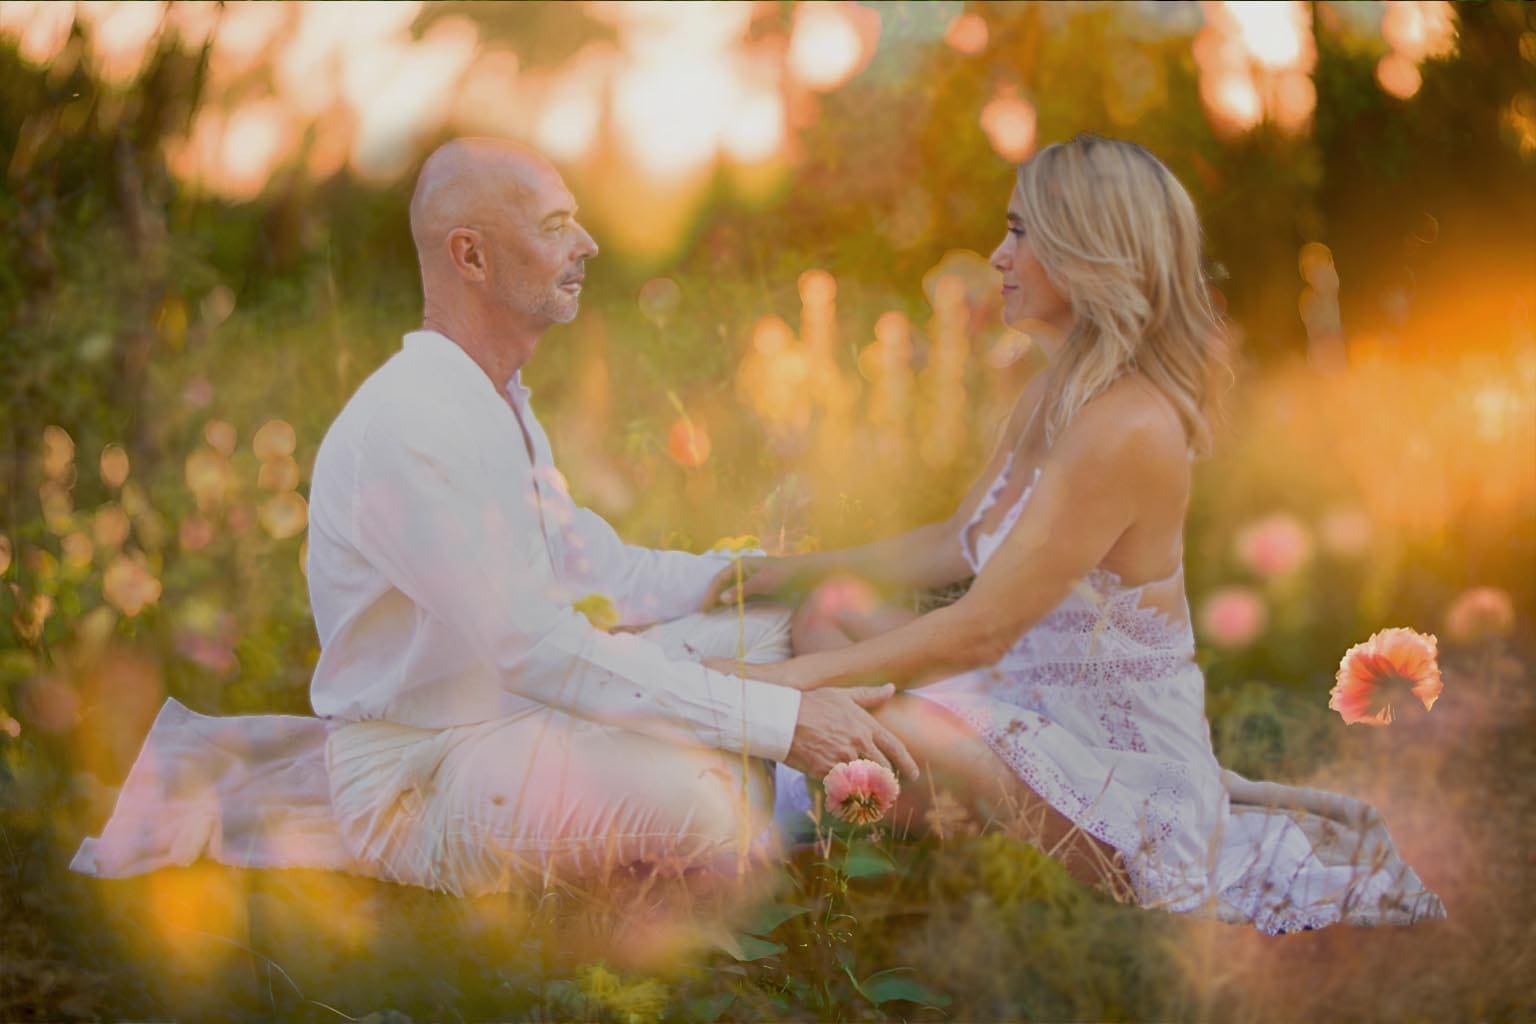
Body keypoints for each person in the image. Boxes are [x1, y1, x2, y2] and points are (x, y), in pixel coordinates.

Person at [72, 138, 918, 899]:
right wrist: (777, 721)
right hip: (427, 768)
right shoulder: (410, 426)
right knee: (706, 806)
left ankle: (837, 805)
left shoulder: (496, 399)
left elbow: (600, 573)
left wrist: (750, 576)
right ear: (469, 257)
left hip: (528, 713)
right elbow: (539, 647)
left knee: (776, 625)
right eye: (555, 227)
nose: (586, 245)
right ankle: (804, 837)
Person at [702, 134, 1445, 934]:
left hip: (1112, 770)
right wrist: (790, 569)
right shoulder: (1057, 391)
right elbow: (960, 541)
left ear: (1090, 250)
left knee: (868, 705)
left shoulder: (1128, 425)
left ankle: (825, 866)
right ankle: (893, 830)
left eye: (1021, 232)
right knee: (829, 612)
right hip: (1025, 705)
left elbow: (979, 631)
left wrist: (777, 683)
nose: (997, 255)